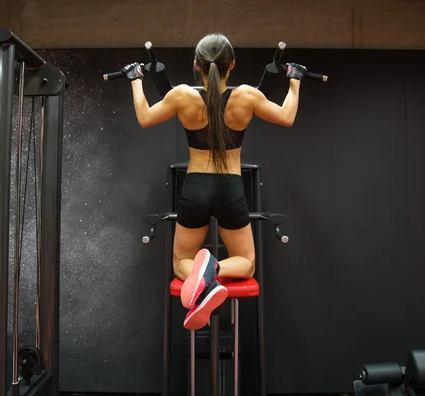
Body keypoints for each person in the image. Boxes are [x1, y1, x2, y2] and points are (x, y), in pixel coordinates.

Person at [124, 33, 306, 330]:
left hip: (195, 188)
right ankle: (215, 270)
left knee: (181, 259)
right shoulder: (247, 96)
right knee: (246, 262)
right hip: (230, 189)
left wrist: (135, 79)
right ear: (231, 65)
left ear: (197, 66)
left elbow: (144, 117)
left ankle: (203, 277)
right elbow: (287, 116)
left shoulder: (181, 95)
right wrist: (295, 79)